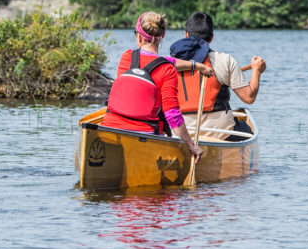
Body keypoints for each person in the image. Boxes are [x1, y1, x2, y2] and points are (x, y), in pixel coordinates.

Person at [102, 11, 211, 162]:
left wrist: (195, 66)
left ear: (139, 37)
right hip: (145, 137)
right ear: (163, 36)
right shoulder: (167, 70)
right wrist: (191, 145)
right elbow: (172, 115)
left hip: (110, 130)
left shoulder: (126, 57)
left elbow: (157, 61)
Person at [169, 11, 266, 141]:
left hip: (180, 131)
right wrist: (256, 71)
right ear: (212, 37)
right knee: (247, 130)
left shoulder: (170, 64)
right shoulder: (225, 60)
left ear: (186, 34)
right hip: (219, 131)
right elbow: (249, 97)